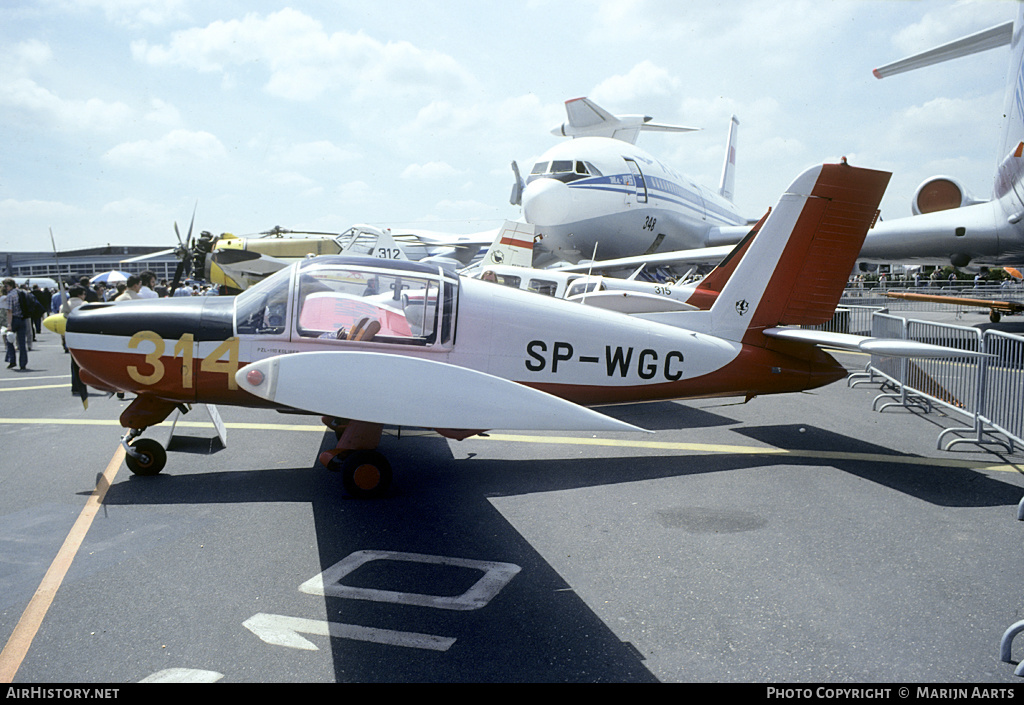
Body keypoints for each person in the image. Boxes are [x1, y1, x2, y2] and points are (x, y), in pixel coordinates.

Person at [3, 278, 28, 370]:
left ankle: (12, 360)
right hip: (22, 318)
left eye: (6, 286)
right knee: (22, 343)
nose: (5, 288)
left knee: (9, 340)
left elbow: (9, 311)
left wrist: (9, 324)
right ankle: (23, 363)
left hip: (14, 319)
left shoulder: (10, 296)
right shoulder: (21, 292)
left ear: (10, 285)